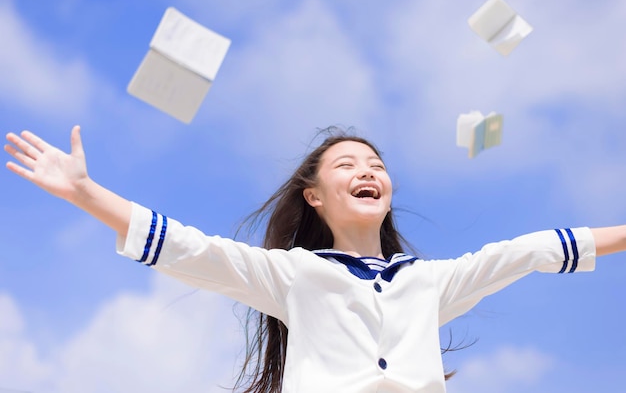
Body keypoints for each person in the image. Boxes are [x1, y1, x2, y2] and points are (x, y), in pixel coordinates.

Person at [4, 125, 626, 393]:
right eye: (348, 165)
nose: (368, 171)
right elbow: (189, 248)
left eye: (377, 166)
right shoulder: (295, 276)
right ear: (315, 195)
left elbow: (530, 251)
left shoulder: (431, 284)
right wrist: (87, 194)